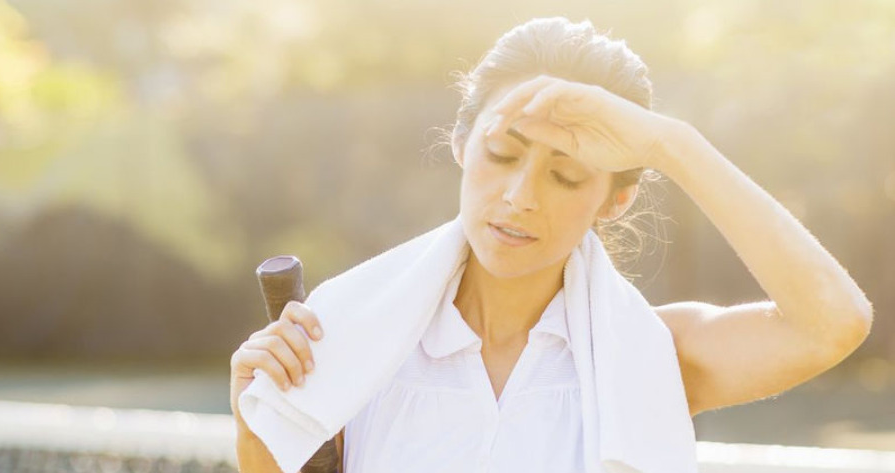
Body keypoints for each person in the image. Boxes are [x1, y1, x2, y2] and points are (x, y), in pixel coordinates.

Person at [229, 16, 873, 473]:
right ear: (461, 144)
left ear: (616, 199)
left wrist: (669, 144)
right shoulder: (354, 343)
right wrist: (255, 412)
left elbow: (833, 324)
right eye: (501, 153)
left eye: (565, 175)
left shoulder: (654, 357)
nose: (520, 197)